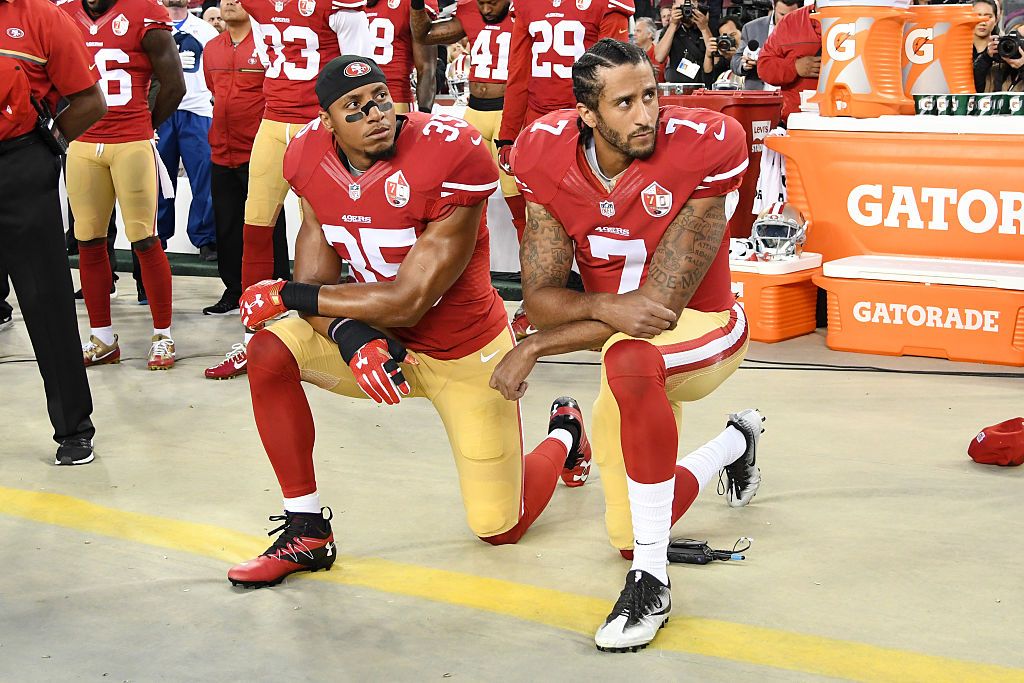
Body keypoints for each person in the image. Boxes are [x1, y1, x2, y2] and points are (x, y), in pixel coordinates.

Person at [225, 56, 592, 588]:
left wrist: (285, 292)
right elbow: (316, 291)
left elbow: (409, 301)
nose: (375, 112)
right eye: (354, 107)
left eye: (378, 97)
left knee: (498, 528)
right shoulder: (306, 157)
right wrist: (351, 336)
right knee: (269, 351)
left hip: (463, 351)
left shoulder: (449, 151)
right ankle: (307, 531)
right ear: (327, 122)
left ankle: (564, 432)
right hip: (380, 345)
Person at [491, 39, 764, 652]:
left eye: (651, 95)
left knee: (630, 357)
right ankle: (735, 442)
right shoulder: (543, 151)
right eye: (624, 103)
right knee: (629, 527)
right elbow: (540, 299)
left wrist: (535, 348)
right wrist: (596, 305)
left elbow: (656, 311)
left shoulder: (705, 142)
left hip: (704, 326)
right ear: (588, 114)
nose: (646, 114)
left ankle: (652, 581)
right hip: (628, 344)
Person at [207, 0, 370, 378]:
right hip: (272, 118)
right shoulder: (256, 5)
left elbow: (359, 68)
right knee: (256, 223)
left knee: (321, 230)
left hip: (316, 123)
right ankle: (253, 337)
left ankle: (329, 331)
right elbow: (267, 53)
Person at [1, 0, 107, 464]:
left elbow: (89, 100)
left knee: (46, 302)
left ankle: (73, 428)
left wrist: (48, 150)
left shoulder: (40, 16)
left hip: (19, 166)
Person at [493, 0, 634, 338]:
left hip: (587, 123)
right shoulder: (526, 5)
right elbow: (519, 72)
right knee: (533, 217)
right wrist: (509, 135)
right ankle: (538, 300)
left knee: (604, 214)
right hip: (539, 127)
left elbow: (618, 71)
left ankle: (609, 297)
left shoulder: (604, 5)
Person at [61, 0, 186, 370]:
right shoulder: (64, 13)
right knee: (88, 239)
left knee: (144, 238)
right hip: (83, 144)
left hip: (130, 140)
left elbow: (174, 85)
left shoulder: (144, 10)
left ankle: (163, 334)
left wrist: (145, 127)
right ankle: (101, 337)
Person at [201, 0, 289, 327]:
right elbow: (215, 92)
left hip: (258, 149)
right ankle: (233, 290)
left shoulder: (267, 45)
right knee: (226, 224)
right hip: (221, 151)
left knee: (267, 222)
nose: (229, 3)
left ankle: (275, 289)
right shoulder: (212, 48)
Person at [410, 0, 524, 235]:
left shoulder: (525, 11)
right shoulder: (469, 10)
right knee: (466, 197)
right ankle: (472, 263)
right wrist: (417, 4)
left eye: (491, 3)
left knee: (517, 199)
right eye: (481, 3)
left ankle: (533, 270)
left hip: (510, 114)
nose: (486, 10)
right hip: (473, 111)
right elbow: (423, 34)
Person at [156, 0, 219, 261]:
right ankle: (156, 237)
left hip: (197, 109)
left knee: (204, 176)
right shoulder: (151, 25)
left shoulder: (206, 30)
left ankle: (206, 238)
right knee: (157, 178)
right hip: (160, 109)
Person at [363, 0, 436, 113]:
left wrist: (423, 114)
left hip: (393, 99)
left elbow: (426, 68)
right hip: (356, 97)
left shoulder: (410, 3)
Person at [758, 1, 820, 124]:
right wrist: (795, 67)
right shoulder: (790, 22)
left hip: (851, 120)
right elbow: (764, 66)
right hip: (798, 121)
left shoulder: (864, 20)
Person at [730, 0, 800, 91]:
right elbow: (735, 61)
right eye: (782, 14)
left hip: (791, 94)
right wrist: (744, 64)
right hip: (758, 97)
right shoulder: (751, 28)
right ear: (773, 6)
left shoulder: (806, 29)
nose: (786, 20)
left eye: (791, 15)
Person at [653, 0, 709, 84]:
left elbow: (715, 57)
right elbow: (659, 57)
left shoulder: (705, 26)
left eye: (689, 6)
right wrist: (673, 25)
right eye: (682, 7)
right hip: (677, 87)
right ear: (674, 8)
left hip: (701, 85)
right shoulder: (670, 29)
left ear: (696, 5)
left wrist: (704, 28)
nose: (686, 10)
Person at [976, 24, 1024, 91]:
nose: (1018, 45)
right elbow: (975, 86)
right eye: (1016, 39)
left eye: (1022, 40)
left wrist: (1022, 67)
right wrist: (986, 57)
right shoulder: (997, 66)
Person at [702, 16, 740, 86]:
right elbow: (709, 83)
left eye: (732, 35)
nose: (729, 40)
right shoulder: (724, 59)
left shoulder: (752, 52)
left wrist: (735, 57)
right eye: (724, 38)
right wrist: (708, 57)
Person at [635, 17, 666, 82]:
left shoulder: (661, 53)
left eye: (638, 31)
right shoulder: (631, 55)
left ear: (649, 34)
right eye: (634, 31)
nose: (634, 34)